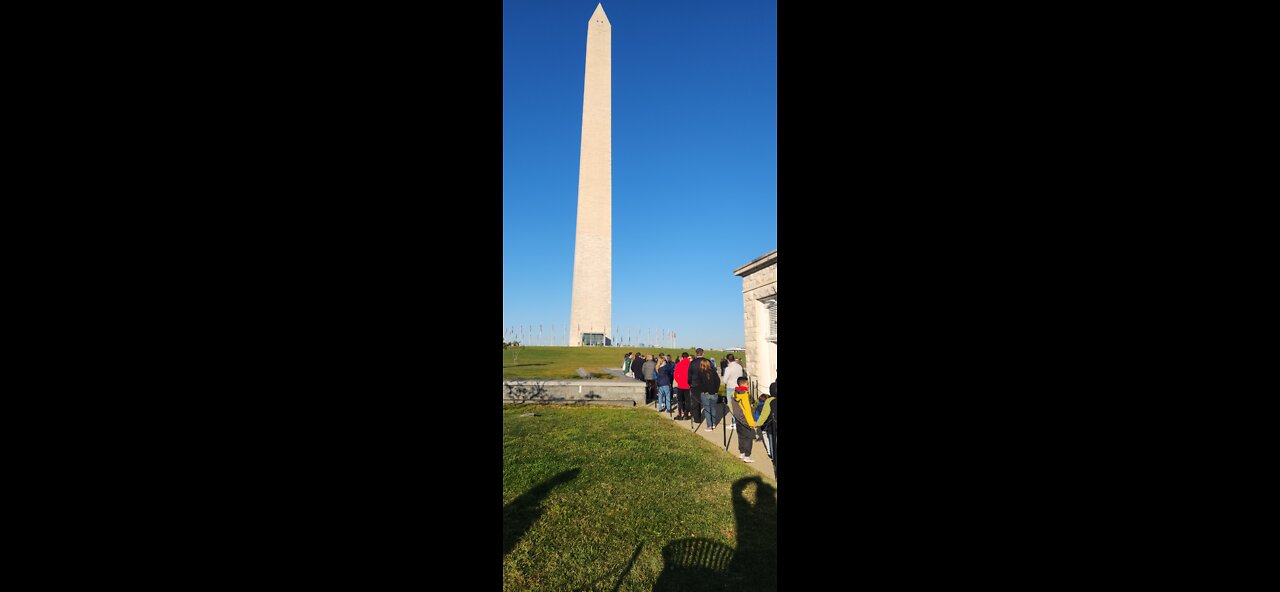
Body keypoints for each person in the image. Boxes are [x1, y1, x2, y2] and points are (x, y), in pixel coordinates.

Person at [728, 376, 765, 463]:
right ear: (744, 384)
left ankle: (742, 453)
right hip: (745, 420)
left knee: (741, 436)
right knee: (748, 438)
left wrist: (735, 415)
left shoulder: (734, 393)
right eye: (747, 384)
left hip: (738, 419)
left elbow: (731, 406)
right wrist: (752, 423)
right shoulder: (744, 395)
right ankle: (747, 456)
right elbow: (747, 411)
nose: (748, 386)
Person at [688, 349, 721, 431]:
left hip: (697, 385)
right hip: (711, 389)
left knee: (698, 403)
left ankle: (698, 419)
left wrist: (689, 383)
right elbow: (717, 379)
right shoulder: (708, 362)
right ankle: (712, 423)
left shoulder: (693, 363)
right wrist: (716, 389)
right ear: (703, 353)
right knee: (711, 407)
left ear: (696, 354)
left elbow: (689, 375)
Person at [721, 354, 743, 430]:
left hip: (731, 387)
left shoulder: (728, 368)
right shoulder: (739, 367)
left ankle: (734, 422)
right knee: (738, 405)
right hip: (739, 387)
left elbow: (725, 380)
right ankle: (739, 421)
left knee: (731, 405)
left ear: (727, 360)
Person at [673, 352, 693, 420]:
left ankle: (680, 414)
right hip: (687, 385)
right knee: (687, 401)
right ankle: (686, 414)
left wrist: (679, 381)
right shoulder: (690, 365)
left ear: (682, 357)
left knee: (680, 401)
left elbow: (675, 375)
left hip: (680, 385)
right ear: (688, 357)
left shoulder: (679, 364)